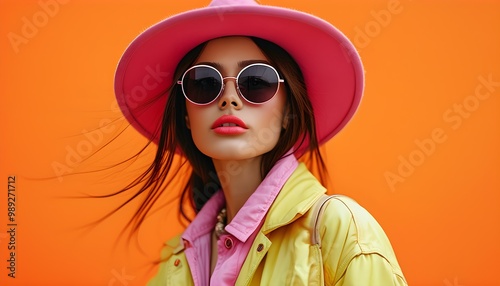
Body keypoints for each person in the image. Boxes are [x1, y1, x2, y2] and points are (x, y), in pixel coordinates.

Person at [113, 0, 408, 285]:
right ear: (186, 115)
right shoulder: (175, 264)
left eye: (255, 81)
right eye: (204, 83)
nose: (229, 99)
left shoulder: (340, 229)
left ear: (287, 112)